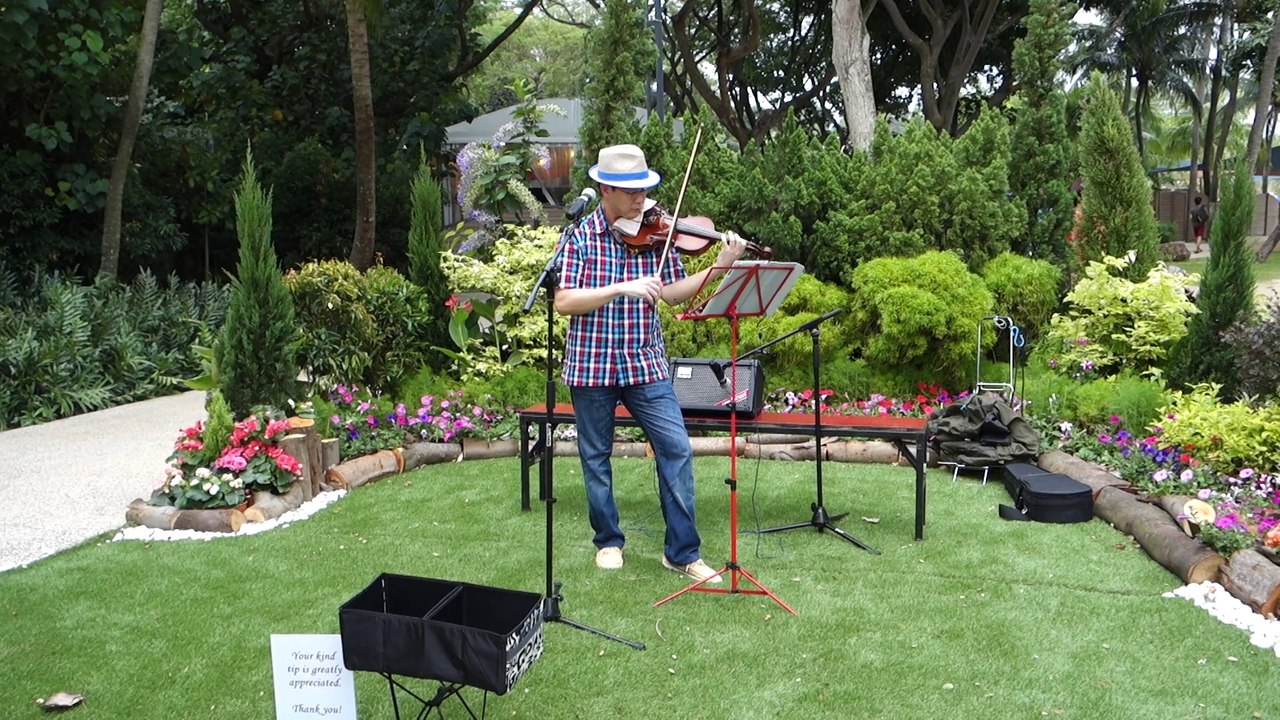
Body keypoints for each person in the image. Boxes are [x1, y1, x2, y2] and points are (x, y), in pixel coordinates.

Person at [554, 144, 747, 584]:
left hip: (645, 362)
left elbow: (674, 292)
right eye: (628, 191)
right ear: (604, 188)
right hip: (592, 365)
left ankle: (681, 552)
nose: (640, 200)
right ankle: (608, 541)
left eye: (644, 189)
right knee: (596, 456)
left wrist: (720, 265)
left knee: (676, 448)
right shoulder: (580, 237)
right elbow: (564, 301)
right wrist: (620, 287)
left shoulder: (655, 235)